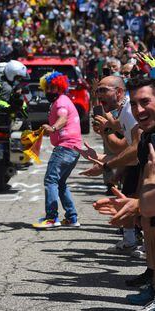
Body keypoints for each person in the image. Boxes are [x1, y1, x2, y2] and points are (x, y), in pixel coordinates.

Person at [93, 77, 155, 309]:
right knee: (149, 228)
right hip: (144, 186)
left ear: (119, 93)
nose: (138, 109)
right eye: (135, 103)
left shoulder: (130, 115)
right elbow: (136, 154)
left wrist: (139, 204)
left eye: (145, 102)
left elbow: (127, 150)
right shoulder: (148, 131)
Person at [32, 72, 82, 229]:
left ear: (60, 87)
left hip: (65, 148)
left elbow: (63, 118)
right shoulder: (62, 100)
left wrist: (53, 127)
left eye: (53, 87)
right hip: (73, 148)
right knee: (60, 182)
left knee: (50, 180)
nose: (49, 91)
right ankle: (72, 218)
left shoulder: (61, 102)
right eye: (47, 88)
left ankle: (52, 218)